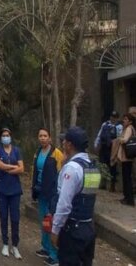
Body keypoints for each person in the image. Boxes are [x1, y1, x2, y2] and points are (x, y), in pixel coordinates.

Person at [51, 126, 100, 265]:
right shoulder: (92, 166)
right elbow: (88, 197)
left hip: (72, 230)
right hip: (88, 228)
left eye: (64, 141)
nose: (63, 143)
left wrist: (55, 229)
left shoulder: (72, 168)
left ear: (70, 144)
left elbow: (64, 203)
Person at [31, 128, 64, 265]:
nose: (43, 138)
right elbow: (34, 171)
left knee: (50, 223)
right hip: (40, 192)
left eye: (45, 136)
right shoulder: (38, 152)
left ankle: (54, 254)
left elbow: (61, 174)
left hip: (51, 194)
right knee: (43, 222)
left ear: (50, 138)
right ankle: (45, 247)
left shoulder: (56, 154)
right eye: (40, 136)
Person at [0, 128, 24, 259]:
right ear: (1, 138)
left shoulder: (17, 150)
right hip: (2, 190)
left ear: (11, 137)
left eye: (7, 135)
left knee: (15, 218)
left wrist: (8, 168)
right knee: (3, 217)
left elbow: (22, 168)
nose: (5, 137)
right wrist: (13, 167)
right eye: (3, 135)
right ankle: (5, 243)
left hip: (15, 191)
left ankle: (15, 246)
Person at [94, 110, 121, 192]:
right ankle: (103, 183)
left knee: (112, 166)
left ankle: (112, 185)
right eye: (112, 117)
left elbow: (120, 137)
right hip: (104, 147)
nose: (113, 119)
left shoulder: (119, 126)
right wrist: (96, 144)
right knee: (102, 164)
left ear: (117, 118)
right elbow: (99, 134)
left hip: (113, 148)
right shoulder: (105, 124)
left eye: (115, 117)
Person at [114, 113, 135, 206]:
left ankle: (129, 198)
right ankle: (127, 197)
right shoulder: (129, 128)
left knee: (127, 178)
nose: (124, 121)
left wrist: (119, 139)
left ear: (130, 121)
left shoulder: (129, 129)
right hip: (127, 157)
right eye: (124, 119)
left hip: (126, 157)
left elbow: (125, 140)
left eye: (126, 119)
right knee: (126, 177)